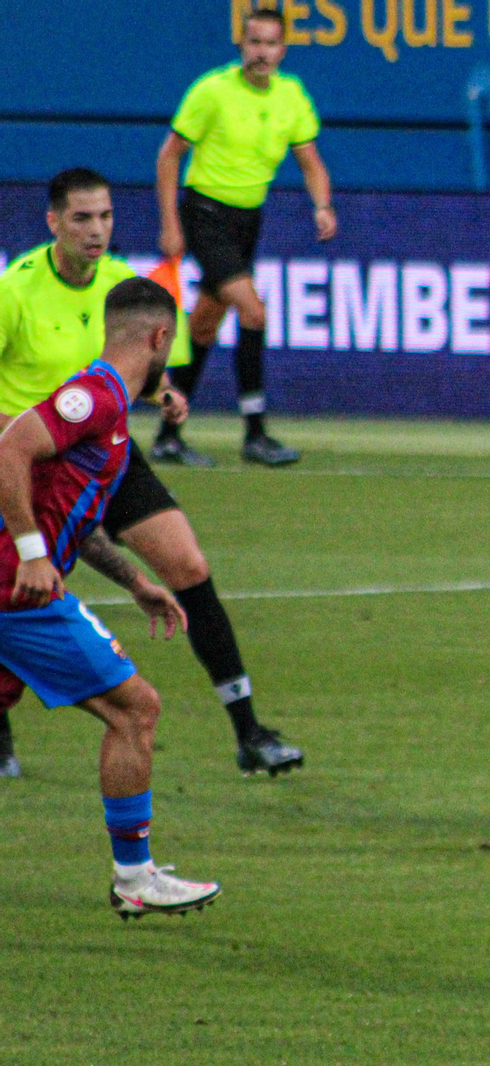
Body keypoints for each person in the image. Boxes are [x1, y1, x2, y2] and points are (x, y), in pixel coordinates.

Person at [0, 168, 303, 779]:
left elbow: (141, 365)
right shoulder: (17, 289)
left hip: (106, 453)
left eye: (106, 216)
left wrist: (163, 394)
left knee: (188, 567)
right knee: (21, 587)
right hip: (32, 461)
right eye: (82, 218)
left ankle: (249, 732)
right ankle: (3, 736)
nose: (97, 230)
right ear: (53, 221)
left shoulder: (123, 284)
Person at [0, 276, 220, 917]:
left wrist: (135, 582)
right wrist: (34, 552)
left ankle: (136, 874)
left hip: (21, 584)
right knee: (136, 710)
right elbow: (10, 447)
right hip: (17, 590)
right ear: (158, 338)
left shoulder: (112, 408)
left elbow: (68, 512)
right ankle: (135, 875)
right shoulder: (93, 398)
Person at [153, 4, 336, 467]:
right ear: (241, 46)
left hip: (247, 219)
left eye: (271, 44)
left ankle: (167, 437)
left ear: (283, 49)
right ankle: (256, 433)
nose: (262, 53)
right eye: (254, 43)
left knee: (204, 326)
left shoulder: (291, 95)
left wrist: (322, 206)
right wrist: (171, 223)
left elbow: (310, 161)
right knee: (253, 312)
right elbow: (169, 157)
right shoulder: (212, 91)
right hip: (205, 212)